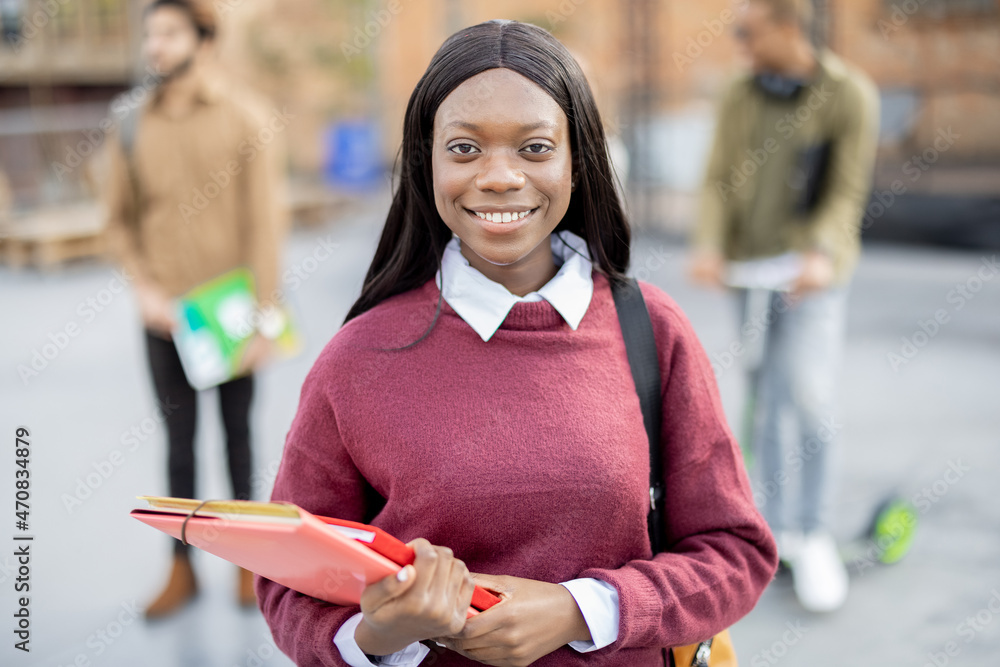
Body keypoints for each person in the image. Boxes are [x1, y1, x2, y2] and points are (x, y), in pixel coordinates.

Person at [256, 19, 777, 667]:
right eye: (465, 148)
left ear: (577, 162)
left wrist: (581, 609)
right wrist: (380, 635)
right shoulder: (356, 359)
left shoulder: (652, 331)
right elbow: (287, 585)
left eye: (534, 148)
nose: (500, 176)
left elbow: (735, 552)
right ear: (427, 161)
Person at [688, 0, 879, 612]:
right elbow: (717, 177)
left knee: (808, 393)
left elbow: (846, 193)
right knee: (763, 398)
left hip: (812, 272)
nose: (739, 42)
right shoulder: (739, 95)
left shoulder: (850, 96)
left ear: (789, 26)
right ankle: (770, 528)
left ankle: (813, 528)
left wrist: (819, 253)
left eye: (749, 31)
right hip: (750, 269)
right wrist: (711, 244)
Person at [103, 0, 288, 619]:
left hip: (231, 310)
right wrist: (144, 288)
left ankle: (247, 567)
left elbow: (266, 225)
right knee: (177, 444)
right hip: (164, 315)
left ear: (204, 41)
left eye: (169, 33)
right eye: (150, 33)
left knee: (237, 439)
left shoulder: (248, 119)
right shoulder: (129, 123)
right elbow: (119, 222)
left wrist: (265, 315)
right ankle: (181, 570)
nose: (154, 45)